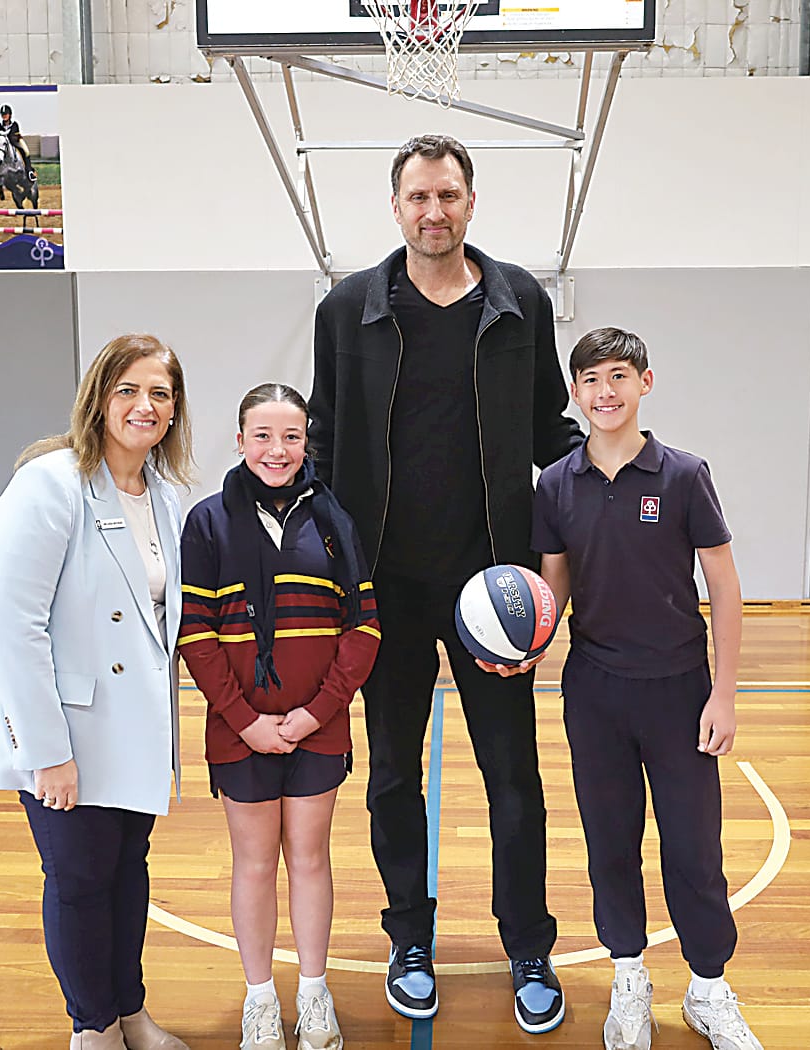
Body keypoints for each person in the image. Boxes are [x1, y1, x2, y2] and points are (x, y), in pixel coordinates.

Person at [306, 133, 583, 1034]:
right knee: (391, 777)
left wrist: (619, 469)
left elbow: (550, 426)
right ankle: (408, 937)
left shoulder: (519, 303)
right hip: (383, 589)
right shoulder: (348, 307)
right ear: (396, 207)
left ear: (472, 203)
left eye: (449, 196)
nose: (434, 211)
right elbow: (322, 436)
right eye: (418, 197)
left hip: (492, 590)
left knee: (514, 778)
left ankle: (527, 945)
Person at [524, 327, 760, 1050]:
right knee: (610, 843)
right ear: (574, 393)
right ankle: (628, 975)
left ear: (645, 384)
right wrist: (524, 652)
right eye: (591, 380)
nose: (605, 393)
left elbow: (722, 586)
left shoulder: (684, 474)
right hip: (594, 690)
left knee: (693, 847)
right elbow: (552, 587)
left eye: (619, 377)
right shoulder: (556, 483)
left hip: (678, 690)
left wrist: (721, 694)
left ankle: (709, 986)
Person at [0, 333, 196, 1050]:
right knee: (78, 879)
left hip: (133, 731)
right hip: (65, 732)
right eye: (128, 389)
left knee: (127, 874)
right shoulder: (48, 483)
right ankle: (92, 1027)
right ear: (99, 396)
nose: (144, 405)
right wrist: (48, 752)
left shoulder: (165, 496)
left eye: (159, 393)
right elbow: (14, 628)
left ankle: (129, 1010)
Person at [178, 383, 380, 1050]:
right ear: (239, 442)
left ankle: (314, 994)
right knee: (255, 864)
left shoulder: (333, 522)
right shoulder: (208, 523)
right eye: (262, 435)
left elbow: (364, 630)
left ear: (305, 445)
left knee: (310, 858)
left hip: (316, 729)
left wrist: (315, 713)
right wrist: (244, 721)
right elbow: (196, 636)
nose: (276, 449)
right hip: (241, 733)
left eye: (289, 437)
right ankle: (260, 999)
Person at [0, 103, 39, 182]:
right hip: (5, 145)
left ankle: (29, 171)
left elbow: (15, 136)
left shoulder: (14, 124)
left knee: (26, 151)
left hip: (16, 141)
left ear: (10, 115)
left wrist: (10, 139)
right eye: (3, 114)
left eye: (6, 114)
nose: (4, 116)